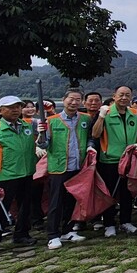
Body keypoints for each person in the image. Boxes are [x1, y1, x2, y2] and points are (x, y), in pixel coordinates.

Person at [0, 96, 37, 254]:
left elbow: (43, 143)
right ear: (1, 110)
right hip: (4, 176)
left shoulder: (29, 125)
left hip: (27, 172)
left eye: (18, 107)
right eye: (11, 107)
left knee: (25, 207)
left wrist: (43, 134)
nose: (15, 110)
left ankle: (22, 234)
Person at [38, 89, 90, 250]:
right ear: (64, 99)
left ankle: (67, 230)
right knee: (56, 202)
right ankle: (53, 234)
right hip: (59, 167)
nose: (74, 102)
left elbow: (90, 138)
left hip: (78, 167)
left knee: (71, 201)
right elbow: (44, 145)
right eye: (71, 99)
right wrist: (41, 135)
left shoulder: (85, 119)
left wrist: (90, 148)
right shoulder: (51, 121)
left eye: (78, 99)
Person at [92, 86, 137, 237]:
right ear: (114, 96)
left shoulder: (135, 113)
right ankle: (108, 223)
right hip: (109, 160)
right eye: (121, 95)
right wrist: (101, 117)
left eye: (127, 95)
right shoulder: (105, 113)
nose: (124, 98)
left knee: (127, 192)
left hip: (129, 159)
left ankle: (125, 221)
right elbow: (95, 134)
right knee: (109, 193)